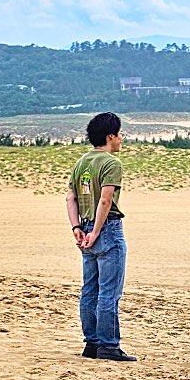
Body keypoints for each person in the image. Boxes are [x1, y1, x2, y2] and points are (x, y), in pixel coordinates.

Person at [66, 111, 135, 362]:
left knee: (90, 290)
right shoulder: (111, 163)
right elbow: (106, 199)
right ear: (110, 136)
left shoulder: (82, 162)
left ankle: (92, 342)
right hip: (106, 229)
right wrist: (96, 231)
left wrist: (77, 228)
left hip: (83, 228)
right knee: (109, 292)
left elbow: (70, 197)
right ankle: (109, 345)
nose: (121, 138)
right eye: (119, 133)